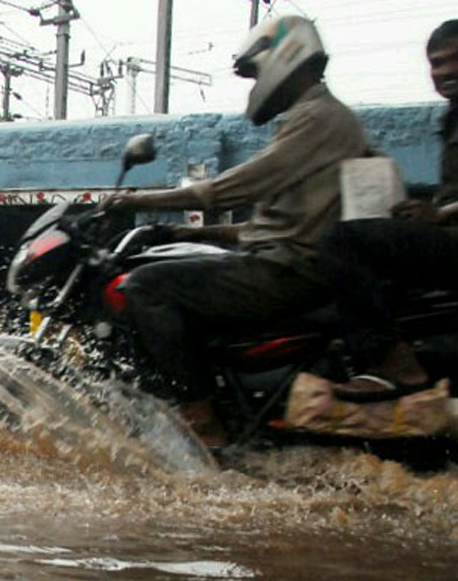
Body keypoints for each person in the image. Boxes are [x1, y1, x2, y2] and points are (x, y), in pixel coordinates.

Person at [103, 15, 371, 447]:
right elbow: (271, 226)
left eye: (258, 71)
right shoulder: (311, 118)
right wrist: (187, 236)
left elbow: (233, 187)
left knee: (146, 287)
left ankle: (202, 419)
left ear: (287, 57)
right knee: (179, 270)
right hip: (284, 263)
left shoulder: (318, 117)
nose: (257, 83)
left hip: (287, 272)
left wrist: (140, 200)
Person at [323, 19, 458, 402]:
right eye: (437, 63)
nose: (446, 71)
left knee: (340, 240)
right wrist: (427, 209)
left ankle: (387, 361)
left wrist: (443, 215)